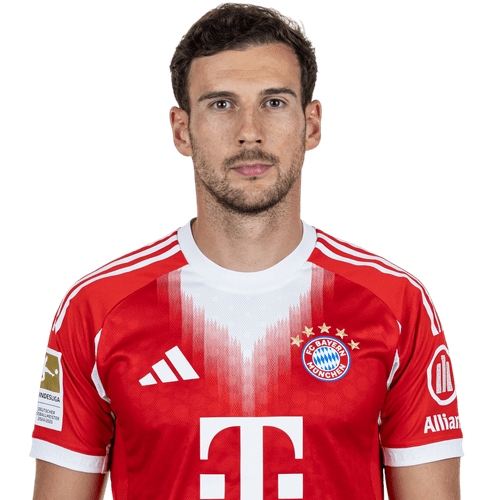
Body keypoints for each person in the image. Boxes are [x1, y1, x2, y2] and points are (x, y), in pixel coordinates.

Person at [31, 3, 463, 499]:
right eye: (221, 104)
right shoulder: (97, 307)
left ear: (312, 124)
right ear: (181, 130)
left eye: (274, 102)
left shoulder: (397, 302)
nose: (249, 131)